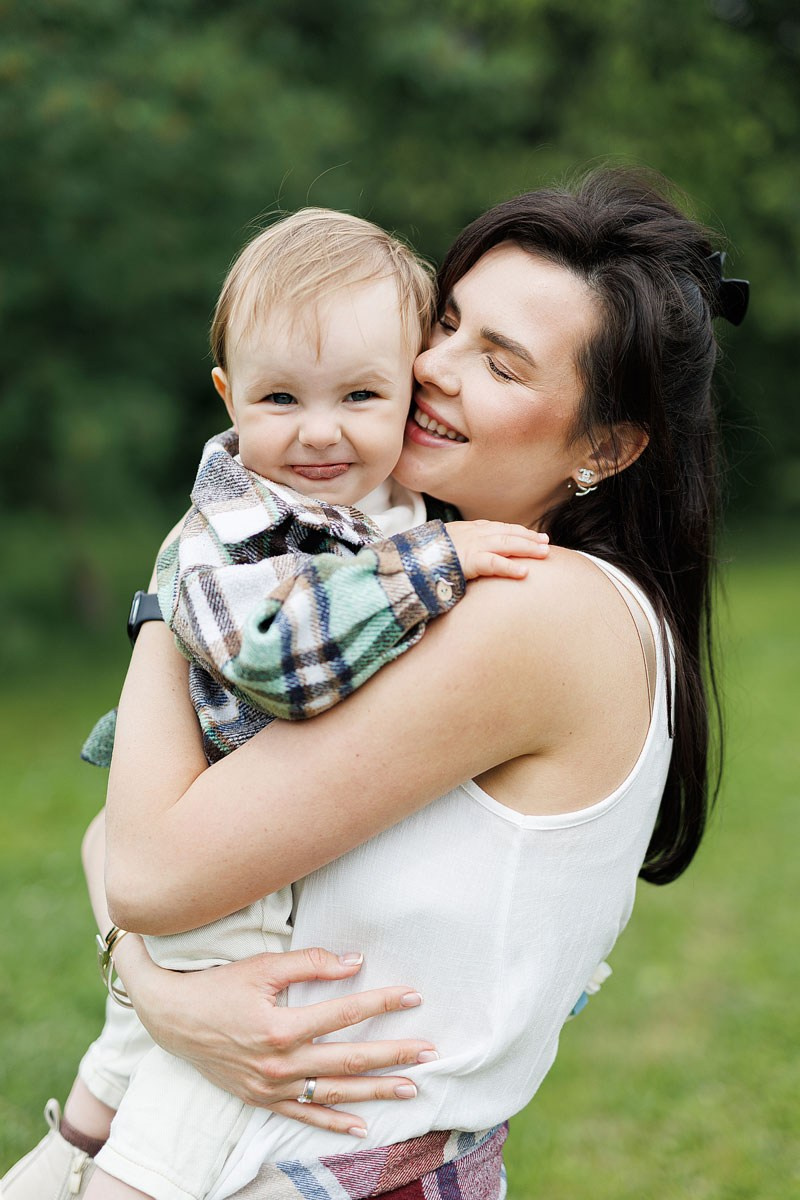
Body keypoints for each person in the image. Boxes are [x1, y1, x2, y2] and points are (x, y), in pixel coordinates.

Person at [6, 168, 749, 1200]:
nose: (432, 368)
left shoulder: (537, 610)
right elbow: (115, 841)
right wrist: (157, 988)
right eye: (443, 324)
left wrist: (178, 592)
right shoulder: (389, 577)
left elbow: (146, 872)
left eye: (497, 362)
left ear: (605, 447)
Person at [0, 210, 547, 1200]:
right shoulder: (239, 531)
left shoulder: (374, 505)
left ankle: (65, 1152)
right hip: (226, 869)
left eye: (361, 395)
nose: (320, 429)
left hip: (234, 841)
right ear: (228, 397)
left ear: (406, 393)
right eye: (281, 397)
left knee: (123, 1057)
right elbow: (278, 661)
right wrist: (430, 567)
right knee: (186, 1105)